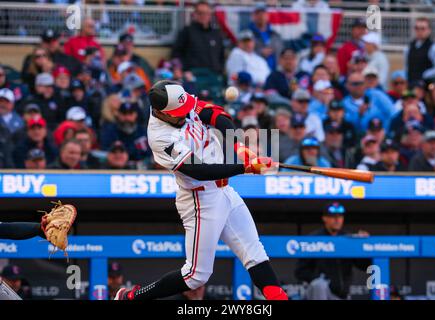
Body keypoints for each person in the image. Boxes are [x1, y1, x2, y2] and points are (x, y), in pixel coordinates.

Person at [115, 80, 288, 301]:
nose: (186, 113)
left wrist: (240, 146)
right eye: (179, 112)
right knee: (196, 276)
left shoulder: (179, 101)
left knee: (255, 253)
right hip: (200, 199)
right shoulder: (160, 136)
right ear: (162, 113)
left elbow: (215, 114)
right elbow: (199, 170)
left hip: (225, 192)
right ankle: (132, 297)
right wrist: (245, 167)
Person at [295, 202, 370, 300]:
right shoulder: (314, 239)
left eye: (340, 216)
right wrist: (321, 277)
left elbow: (365, 266)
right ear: (324, 218)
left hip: (341, 295)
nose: (337, 220)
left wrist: (362, 246)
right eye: (333, 216)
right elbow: (300, 271)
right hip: (319, 293)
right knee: (319, 285)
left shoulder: (347, 239)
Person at [171, 1, 224, 74]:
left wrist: (220, 70)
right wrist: (178, 70)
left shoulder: (216, 33)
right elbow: (176, 54)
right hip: (192, 75)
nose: (203, 15)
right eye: (200, 13)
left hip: (214, 75)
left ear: (210, 15)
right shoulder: (186, 31)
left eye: (206, 13)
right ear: (194, 14)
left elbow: (221, 56)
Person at [405, 17, 435, 85]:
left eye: (423, 28)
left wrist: (425, 75)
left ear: (429, 30)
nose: (419, 31)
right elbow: (407, 67)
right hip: (412, 84)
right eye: (417, 28)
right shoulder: (409, 47)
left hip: (428, 86)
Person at [248, 4, 283, 71]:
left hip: (274, 72)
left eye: (263, 13)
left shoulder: (275, 35)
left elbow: (280, 52)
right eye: (258, 13)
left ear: (267, 15)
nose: (261, 16)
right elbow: (243, 53)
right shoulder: (248, 35)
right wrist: (260, 53)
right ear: (253, 16)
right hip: (256, 73)